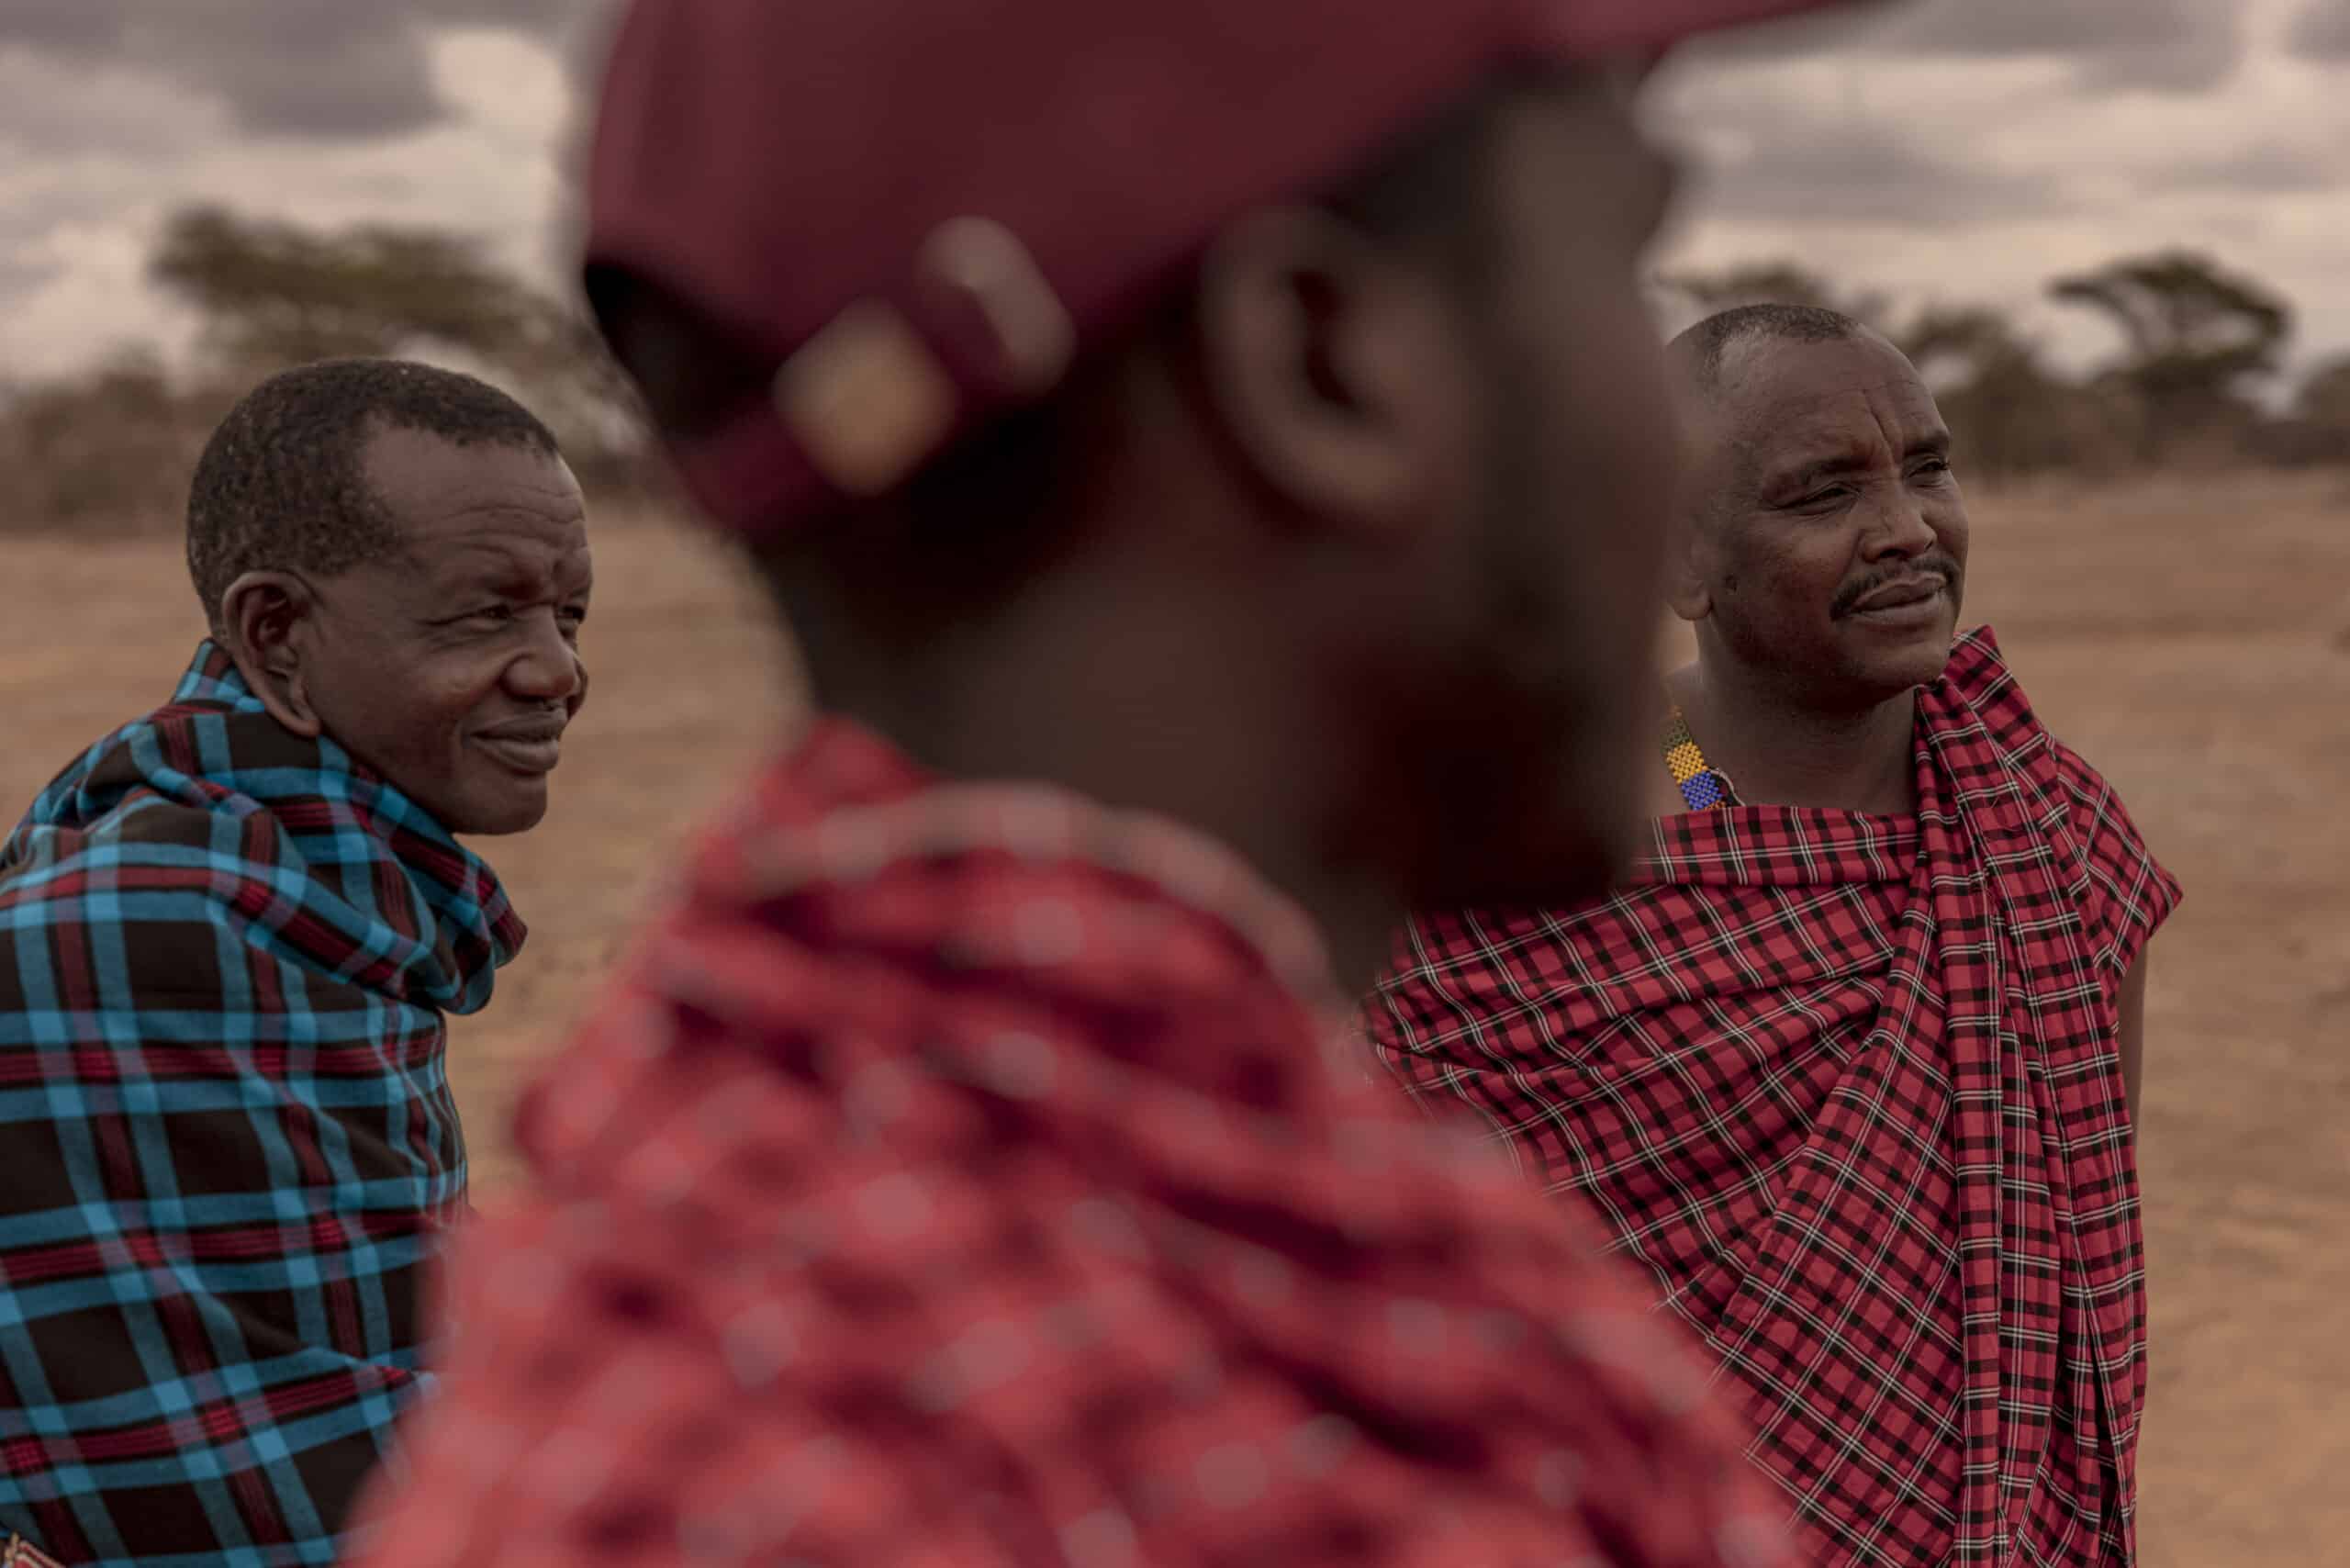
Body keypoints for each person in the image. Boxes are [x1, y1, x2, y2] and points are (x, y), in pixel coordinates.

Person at [345, 3, 1874, 1565]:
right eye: (1626, 262)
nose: (1684, 458)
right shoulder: (808, 1489)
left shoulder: (1158, 1232)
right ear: (1325, 363)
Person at [1370, 306, 2183, 1567]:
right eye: (1823, 493)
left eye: (1928, 469)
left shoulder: (2046, 841)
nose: (1912, 530)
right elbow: (1411, 1299)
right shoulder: (1507, 850)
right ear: (1679, 559)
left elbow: (2058, 1245)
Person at [0, 359, 590, 1567]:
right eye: (488, 614)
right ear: (277, 636)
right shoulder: (153, 929)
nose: (557, 672)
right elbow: (312, 1493)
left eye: (566, 616)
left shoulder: (322, 903)